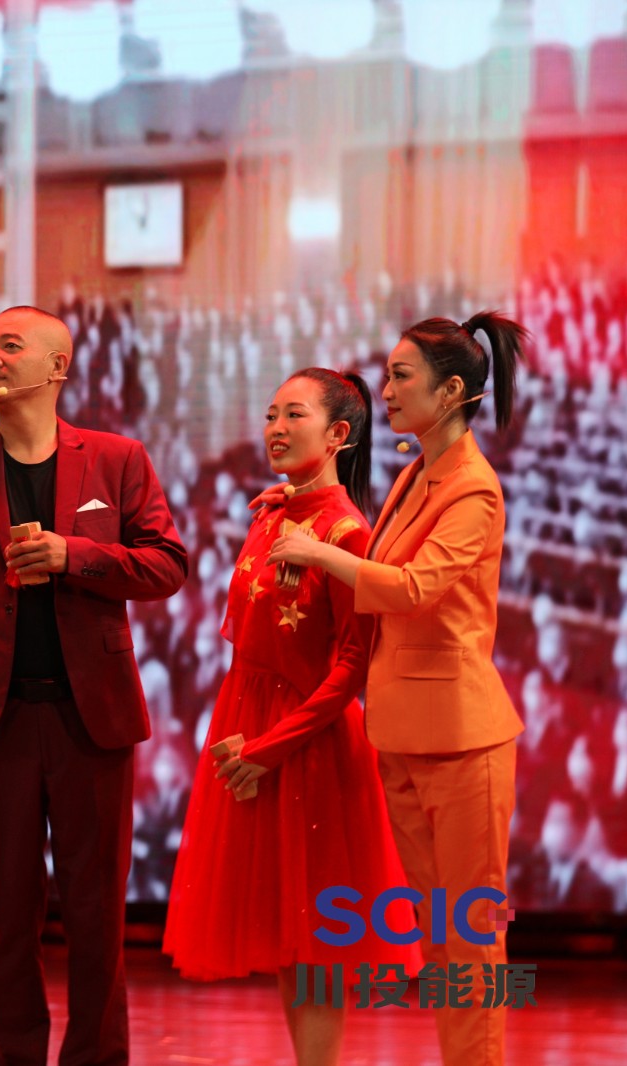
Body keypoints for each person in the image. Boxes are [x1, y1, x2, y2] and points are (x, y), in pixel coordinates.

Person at [0, 306, 188, 1065]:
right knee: (8, 920)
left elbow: (167, 565)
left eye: (10, 346)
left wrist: (76, 556)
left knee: (98, 918)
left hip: (91, 720)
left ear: (57, 367)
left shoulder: (118, 458)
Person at [270, 313, 527, 1065]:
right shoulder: (418, 472)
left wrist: (319, 552)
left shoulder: (473, 489)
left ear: (450, 393)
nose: (384, 390)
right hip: (404, 732)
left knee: (470, 936)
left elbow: (413, 588)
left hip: (463, 739)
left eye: (400, 376)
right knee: (440, 936)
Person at [163, 369, 415, 1065]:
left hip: (308, 744)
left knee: (319, 940)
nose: (275, 428)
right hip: (247, 724)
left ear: (338, 434)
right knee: (286, 931)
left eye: (293, 415)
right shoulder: (269, 513)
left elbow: (352, 668)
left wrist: (269, 749)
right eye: (272, 414)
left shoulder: (348, 533)